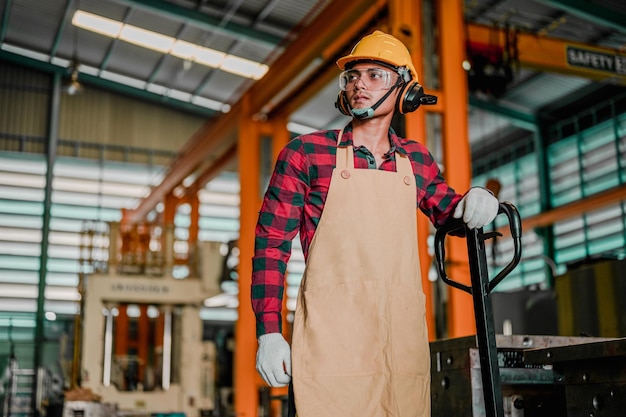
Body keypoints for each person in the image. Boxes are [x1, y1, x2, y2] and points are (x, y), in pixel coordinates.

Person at [252, 30, 499, 417]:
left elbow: (452, 213)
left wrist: (478, 199)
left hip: (398, 344)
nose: (359, 85)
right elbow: (270, 246)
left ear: (406, 91)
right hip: (330, 344)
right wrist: (269, 332)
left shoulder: (416, 160)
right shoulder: (306, 154)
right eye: (352, 77)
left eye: (374, 75)